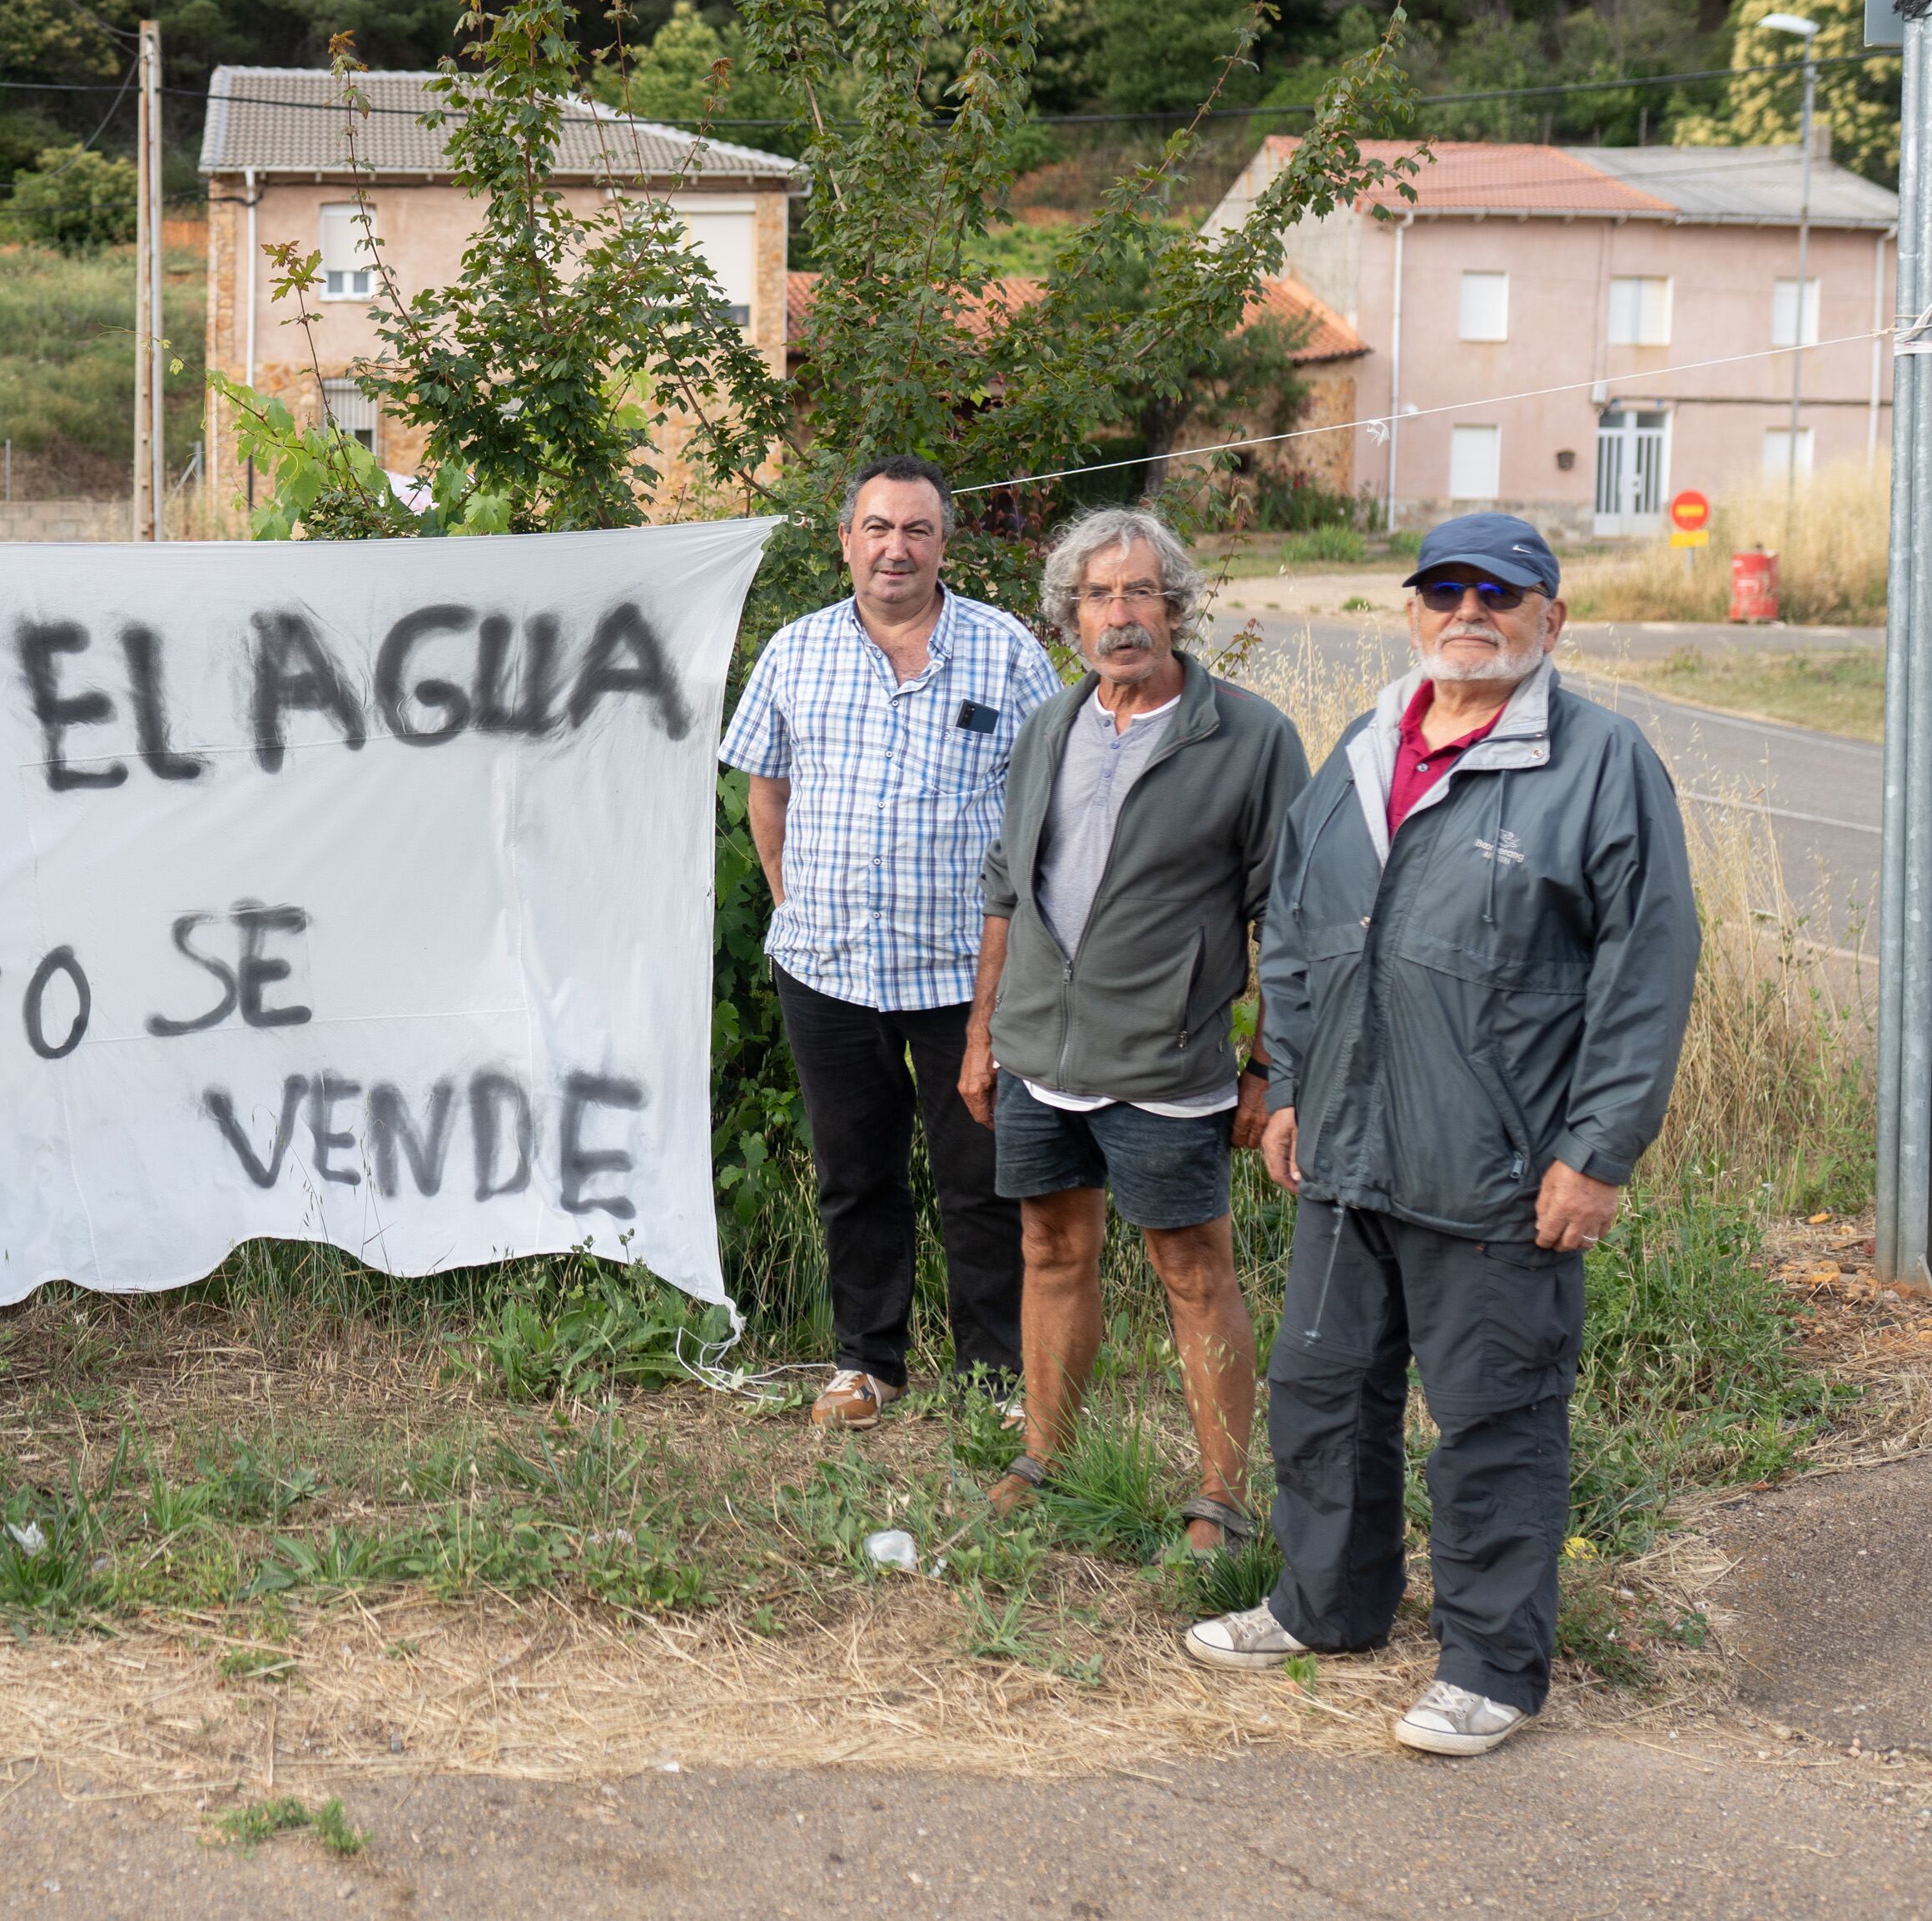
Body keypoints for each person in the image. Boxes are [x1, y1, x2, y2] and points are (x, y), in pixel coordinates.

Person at [1184, 512, 1698, 1758]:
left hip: (1503, 1168)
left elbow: (1648, 967)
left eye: (1500, 593)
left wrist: (1601, 1148)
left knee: (1493, 1418)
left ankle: (1492, 1666)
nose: (1470, 611)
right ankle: (1327, 1602)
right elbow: (1300, 928)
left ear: (1551, 617)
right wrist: (1291, 1079)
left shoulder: (1599, 761)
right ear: (1413, 612)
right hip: (1349, 1153)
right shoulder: (1367, 744)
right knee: (1321, 1392)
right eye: (1445, 590)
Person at [961, 507, 1307, 1551]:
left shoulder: (1247, 738)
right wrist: (982, 1034)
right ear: (1070, 615)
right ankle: (1048, 1458)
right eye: (1098, 596)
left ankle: (1221, 1499)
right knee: (1049, 1246)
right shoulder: (1051, 726)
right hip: (1037, 1051)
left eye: (1139, 592)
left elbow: (1288, 915)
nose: (1120, 616)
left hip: (1164, 1059)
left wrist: (1268, 1069)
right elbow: (1005, 889)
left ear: (1176, 606)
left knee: (1193, 1269)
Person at [721, 452, 1058, 1427]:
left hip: (967, 975)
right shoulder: (795, 651)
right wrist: (791, 903)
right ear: (845, 542)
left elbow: (1048, 812)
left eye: (915, 529)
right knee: (854, 1175)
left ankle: (996, 1377)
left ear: (944, 543)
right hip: (825, 969)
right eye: (876, 528)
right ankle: (867, 1364)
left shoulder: (1006, 654)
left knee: (981, 1181)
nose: (894, 548)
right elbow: (766, 788)